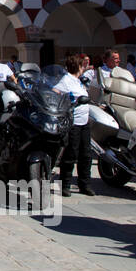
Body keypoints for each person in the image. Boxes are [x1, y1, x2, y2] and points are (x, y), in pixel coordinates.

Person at [54, 55, 93, 196]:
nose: (83, 68)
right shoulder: (66, 81)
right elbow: (55, 92)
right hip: (74, 123)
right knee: (71, 154)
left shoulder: (78, 81)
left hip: (84, 122)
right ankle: (65, 184)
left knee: (86, 154)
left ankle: (85, 184)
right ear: (77, 67)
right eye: (82, 66)